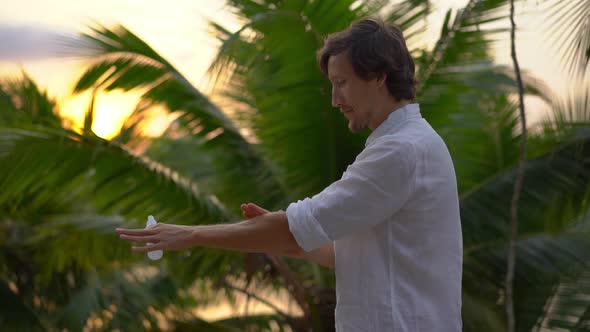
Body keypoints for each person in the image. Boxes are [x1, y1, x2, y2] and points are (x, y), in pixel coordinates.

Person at [116, 17, 463, 331]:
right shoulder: (406, 143)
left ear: (378, 77)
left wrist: (190, 235)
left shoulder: (399, 151)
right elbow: (340, 253)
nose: (334, 99)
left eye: (341, 82)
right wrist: (283, 237)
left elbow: (295, 231)